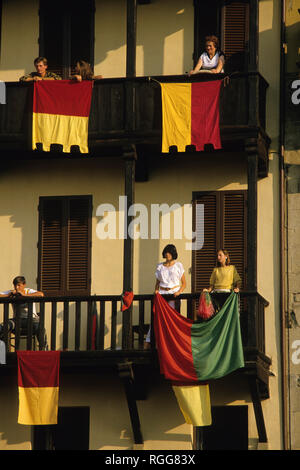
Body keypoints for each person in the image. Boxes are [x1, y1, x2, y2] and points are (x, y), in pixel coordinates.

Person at [144, 244, 186, 349]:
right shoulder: (160, 266)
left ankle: (173, 345)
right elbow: (157, 284)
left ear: (172, 253)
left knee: (172, 320)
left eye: (169, 252)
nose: (167, 254)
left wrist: (179, 291)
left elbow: (184, 283)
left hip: (174, 294)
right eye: (166, 252)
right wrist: (156, 291)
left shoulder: (178, 265)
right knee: (157, 319)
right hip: (162, 295)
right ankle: (148, 343)